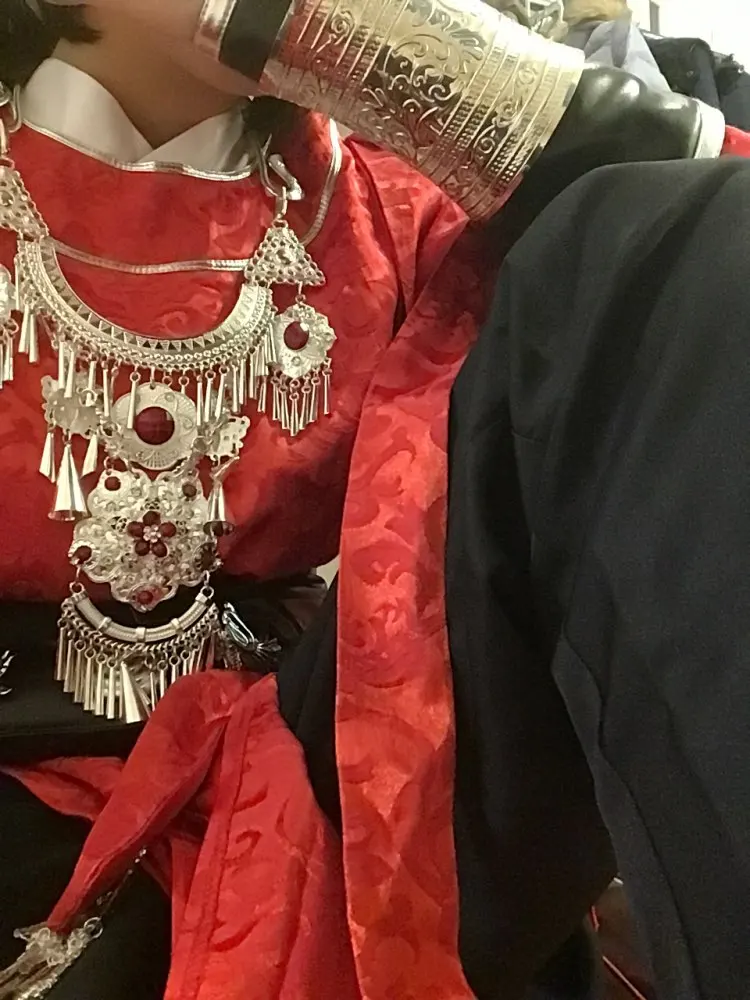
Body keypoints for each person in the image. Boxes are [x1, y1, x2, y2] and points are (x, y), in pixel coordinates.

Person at [1, 2, 749, 1000]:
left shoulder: (390, 198)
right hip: (24, 774)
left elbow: (693, 271)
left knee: (709, 237)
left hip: (326, 760)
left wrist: (416, 67)